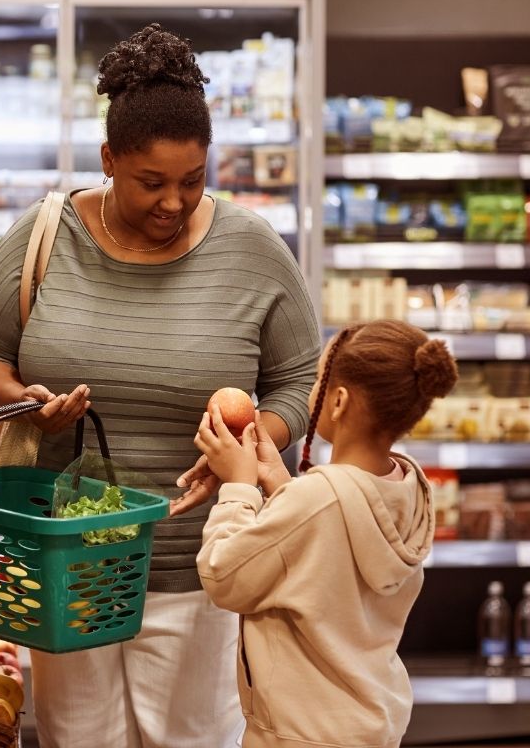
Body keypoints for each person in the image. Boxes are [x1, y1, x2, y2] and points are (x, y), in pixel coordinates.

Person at [0, 23, 320, 748]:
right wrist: (27, 402)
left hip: (200, 568)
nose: (173, 202)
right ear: (109, 160)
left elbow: (299, 382)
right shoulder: (43, 236)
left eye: (193, 180)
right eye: (151, 182)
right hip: (68, 563)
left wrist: (248, 447)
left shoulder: (252, 250)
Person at [192, 320, 458, 748]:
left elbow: (223, 575)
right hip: (367, 720)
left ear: (338, 400)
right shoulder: (408, 487)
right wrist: (280, 484)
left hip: (300, 732)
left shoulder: (316, 500)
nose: (312, 389)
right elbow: (332, 535)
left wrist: (239, 487)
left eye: (318, 379)